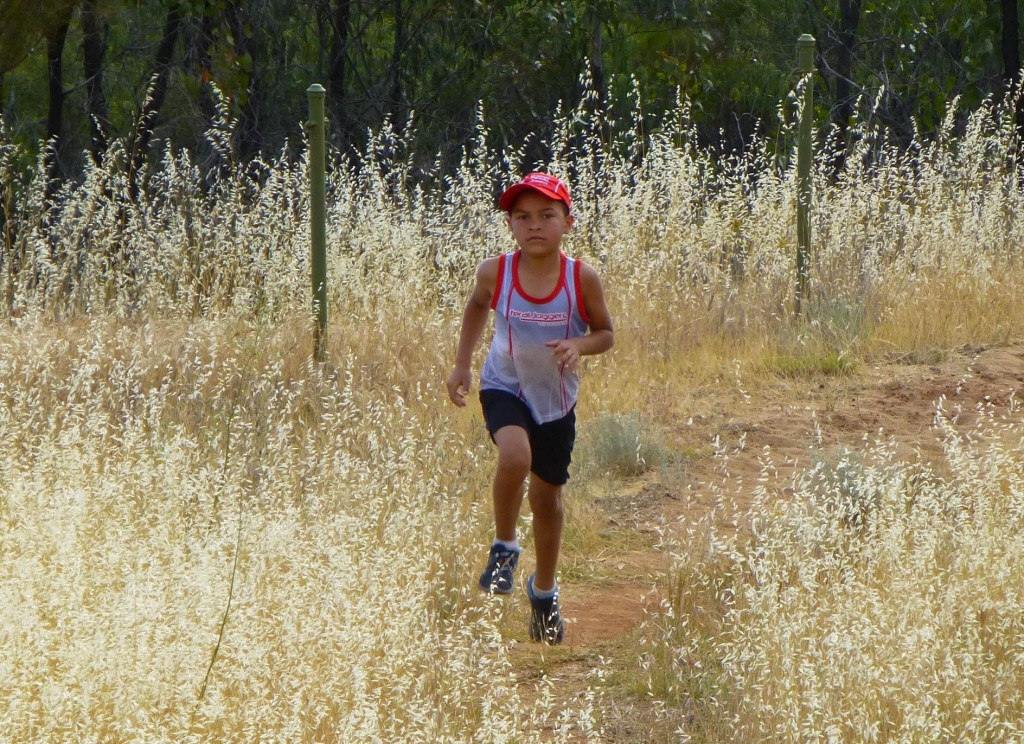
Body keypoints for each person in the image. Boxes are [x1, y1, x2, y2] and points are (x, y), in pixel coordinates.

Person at [446, 172, 615, 644]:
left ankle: (543, 591)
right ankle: (504, 546)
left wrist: (579, 346)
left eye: (546, 215)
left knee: (546, 500)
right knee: (514, 456)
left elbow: (606, 333)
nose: (534, 225)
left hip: (555, 401)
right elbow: (477, 306)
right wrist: (462, 364)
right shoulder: (494, 271)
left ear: (568, 222)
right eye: (522, 217)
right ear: (510, 226)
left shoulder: (580, 278)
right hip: (504, 385)